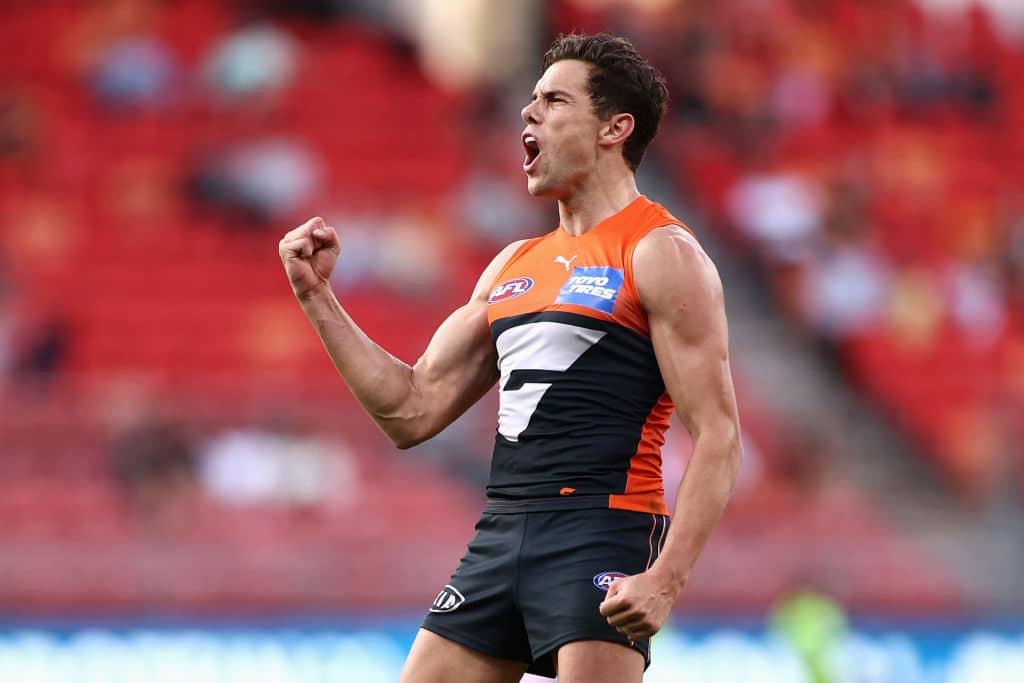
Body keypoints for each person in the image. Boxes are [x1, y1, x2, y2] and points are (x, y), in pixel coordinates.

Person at [279, 33, 742, 683]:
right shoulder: (511, 267)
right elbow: (410, 410)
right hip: (501, 531)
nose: (528, 114)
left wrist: (665, 578)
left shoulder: (660, 251)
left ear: (615, 127)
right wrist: (317, 297)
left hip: (599, 529)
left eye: (553, 100)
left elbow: (719, 435)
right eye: (531, 100)